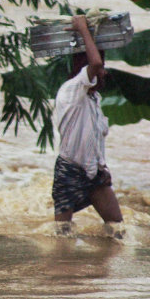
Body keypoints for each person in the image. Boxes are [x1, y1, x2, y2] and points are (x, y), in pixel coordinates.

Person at [52, 15, 123, 237]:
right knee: (62, 235)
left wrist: (102, 167)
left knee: (118, 231)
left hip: (95, 173)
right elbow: (95, 63)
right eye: (102, 69)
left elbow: (94, 140)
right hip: (70, 171)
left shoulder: (94, 99)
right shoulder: (71, 89)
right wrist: (83, 28)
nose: (104, 72)